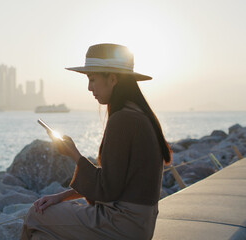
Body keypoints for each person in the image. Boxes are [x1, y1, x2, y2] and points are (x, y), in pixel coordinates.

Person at [20, 43, 172, 240]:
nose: (89, 87)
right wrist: (60, 197)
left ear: (113, 78)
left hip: (122, 224)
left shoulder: (123, 119)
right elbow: (114, 180)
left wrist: (73, 154)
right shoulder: (138, 114)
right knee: (43, 237)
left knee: (35, 215)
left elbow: (107, 189)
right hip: (139, 224)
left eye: (92, 79)